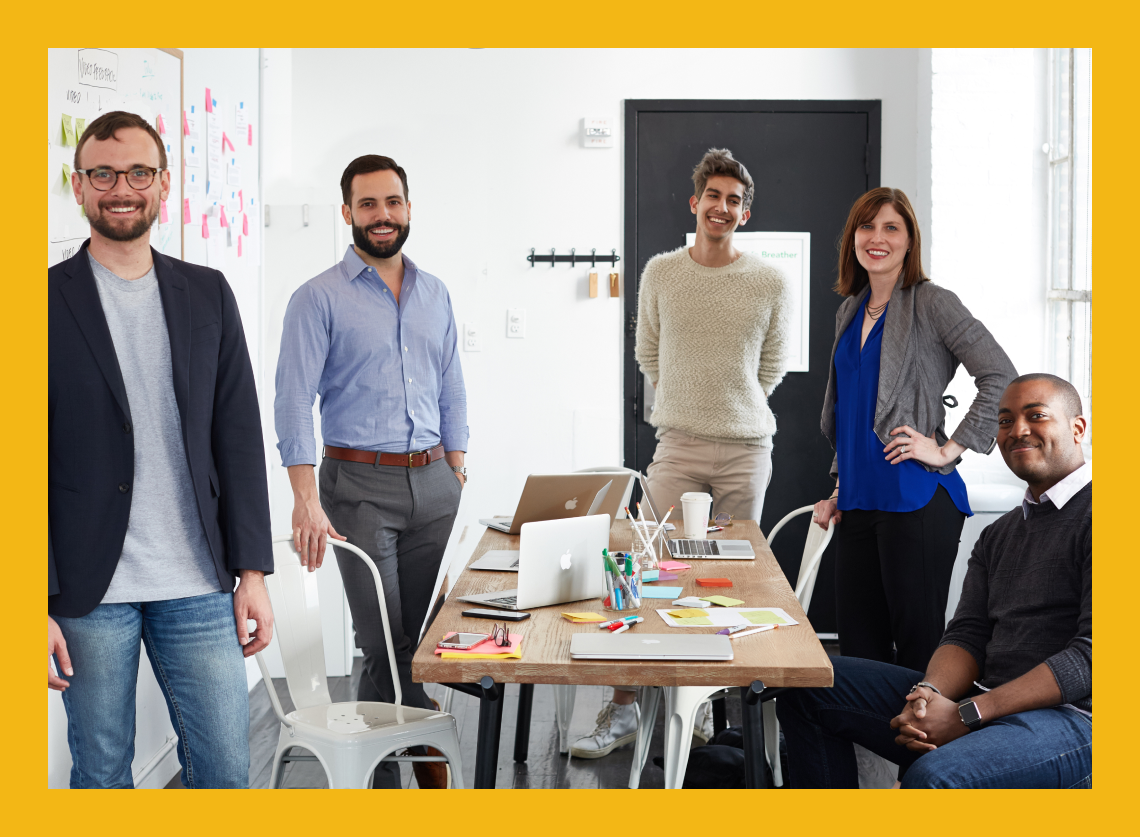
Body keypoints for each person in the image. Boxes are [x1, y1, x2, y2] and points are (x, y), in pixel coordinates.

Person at [48, 111, 274, 788]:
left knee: (227, 774)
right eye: (104, 173)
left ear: (163, 183)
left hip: (199, 581)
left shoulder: (206, 293)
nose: (123, 187)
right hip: (89, 594)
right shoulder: (36, 302)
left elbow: (238, 435)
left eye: (139, 172)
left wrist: (253, 571)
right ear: (79, 185)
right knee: (102, 774)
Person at [571, 148, 792, 759]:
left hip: (747, 450)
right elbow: (648, 354)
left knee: (731, 581)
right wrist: (690, 406)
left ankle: (700, 710)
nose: (722, 208)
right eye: (713, 197)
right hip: (678, 447)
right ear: (696, 203)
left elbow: (770, 366)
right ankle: (621, 711)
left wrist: (732, 405)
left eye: (734, 201)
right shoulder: (661, 273)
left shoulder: (771, 281)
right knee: (643, 573)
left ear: (746, 214)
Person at [780, 374, 1091, 788]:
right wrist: (929, 695)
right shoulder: (999, 534)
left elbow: (1092, 659)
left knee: (935, 775)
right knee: (809, 685)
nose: (1018, 430)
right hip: (985, 699)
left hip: (1074, 720)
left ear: (1077, 428)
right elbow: (967, 634)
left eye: (1036, 416)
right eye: (1004, 420)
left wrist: (970, 713)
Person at [275, 154, 467, 789]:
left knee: (426, 642)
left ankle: (406, 765)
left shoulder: (434, 291)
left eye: (391, 202)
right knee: (384, 642)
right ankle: (392, 783)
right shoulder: (317, 298)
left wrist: (456, 466)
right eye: (367, 205)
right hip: (358, 491)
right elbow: (292, 401)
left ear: (408, 208)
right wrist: (306, 499)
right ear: (347, 213)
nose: (381, 216)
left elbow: (451, 385)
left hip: (435, 485)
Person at [812, 187, 1016, 672]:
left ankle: (928, 750)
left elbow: (1000, 375)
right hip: (859, 501)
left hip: (916, 499)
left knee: (918, 647)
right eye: (867, 226)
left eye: (891, 228)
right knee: (859, 651)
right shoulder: (850, 310)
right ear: (853, 238)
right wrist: (842, 484)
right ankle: (873, 745)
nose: (876, 238)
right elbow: (851, 409)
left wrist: (948, 448)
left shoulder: (931, 302)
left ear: (909, 241)